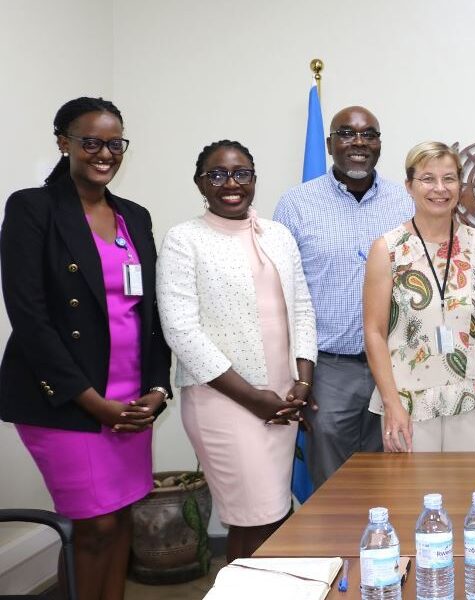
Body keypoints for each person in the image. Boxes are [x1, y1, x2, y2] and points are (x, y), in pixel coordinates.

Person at [0, 97, 171, 600]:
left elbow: (151, 314)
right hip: (68, 399)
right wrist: (91, 401)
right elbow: (29, 318)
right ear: (63, 142)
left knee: (120, 521)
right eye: (90, 141)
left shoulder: (134, 217)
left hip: (131, 399)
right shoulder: (33, 208)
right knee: (92, 526)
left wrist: (157, 389)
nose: (104, 153)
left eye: (114, 143)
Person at [157, 140, 317, 560]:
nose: (231, 183)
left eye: (241, 172)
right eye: (218, 174)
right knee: (255, 518)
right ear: (200, 183)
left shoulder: (279, 235)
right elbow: (181, 330)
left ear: (253, 179)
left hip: (281, 400)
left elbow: (301, 308)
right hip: (224, 402)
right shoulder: (184, 239)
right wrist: (253, 399)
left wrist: (302, 381)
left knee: (273, 514)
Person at [274, 106, 414, 489]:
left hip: (398, 364)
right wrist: (296, 373)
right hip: (331, 368)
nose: (358, 143)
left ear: (379, 144)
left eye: (369, 134)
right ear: (329, 143)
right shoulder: (296, 204)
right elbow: (281, 290)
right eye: (347, 133)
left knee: (395, 475)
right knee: (333, 487)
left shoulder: (406, 202)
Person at [362, 142, 475, 451]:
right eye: (428, 179)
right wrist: (391, 404)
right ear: (409, 186)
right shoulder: (387, 249)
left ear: (460, 184)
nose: (440, 189)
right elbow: (374, 333)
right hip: (408, 400)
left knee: (471, 495)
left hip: (474, 394)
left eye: (449, 178)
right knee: (413, 497)